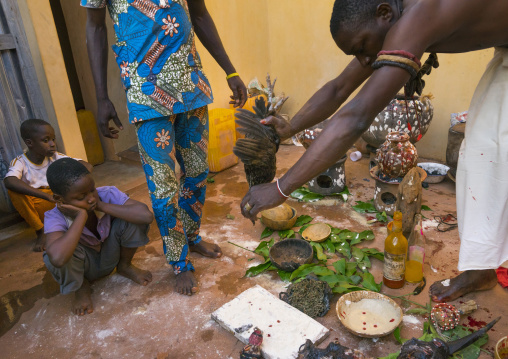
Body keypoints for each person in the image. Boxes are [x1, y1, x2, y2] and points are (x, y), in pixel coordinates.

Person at [240, 0, 508, 302]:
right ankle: (482, 269)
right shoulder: (392, 20)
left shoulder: (418, 14)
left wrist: (280, 188)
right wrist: (290, 127)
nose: (364, 59)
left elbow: (356, 118)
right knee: (483, 156)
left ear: (384, 14)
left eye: (363, 47)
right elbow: (340, 88)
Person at [83, 0, 247, 296]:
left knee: (197, 173)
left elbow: (199, 13)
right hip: (147, 96)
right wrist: (101, 98)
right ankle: (179, 262)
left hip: (192, 87)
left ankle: (192, 236)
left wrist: (231, 71)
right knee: (163, 187)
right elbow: (94, 27)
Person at [43, 158, 154, 315]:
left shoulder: (105, 195)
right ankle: (81, 287)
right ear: (59, 199)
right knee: (51, 254)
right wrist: (81, 216)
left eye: (92, 189)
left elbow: (145, 216)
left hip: (110, 254)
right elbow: (58, 259)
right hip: (85, 267)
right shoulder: (54, 216)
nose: (91, 198)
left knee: (133, 219)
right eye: (81, 197)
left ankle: (125, 266)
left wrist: (102, 205)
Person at [4, 119, 92, 252]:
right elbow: (9, 181)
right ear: (30, 143)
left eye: (53, 139)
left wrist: (68, 183)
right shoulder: (20, 162)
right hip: (40, 205)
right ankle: (41, 231)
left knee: (83, 179)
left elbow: (87, 166)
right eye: (46, 140)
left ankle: (93, 209)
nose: (52, 144)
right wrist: (46, 196)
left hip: (60, 201)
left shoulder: (56, 157)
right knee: (14, 192)